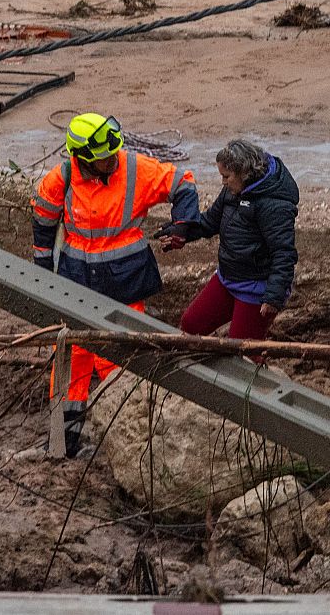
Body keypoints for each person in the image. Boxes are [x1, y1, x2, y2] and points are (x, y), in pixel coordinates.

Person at [31, 112, 200, 454]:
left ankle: (127, 438)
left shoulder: (134, 168)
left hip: (125, 284)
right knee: (71, 357)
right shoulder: (60, 179)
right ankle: (63, 441)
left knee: (121, 359)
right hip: (77, 283)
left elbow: (183, 182)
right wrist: (42, 271)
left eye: (113, 155)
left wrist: (184, 223)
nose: (112, 162)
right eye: (104, 159)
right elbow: (43, 222)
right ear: (82, 159)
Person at [163, 139, 299, 342]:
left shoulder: (274, 205)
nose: (223, 182)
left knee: (242, 352)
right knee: (192, 324)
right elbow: (210, 221)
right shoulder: (233, 189)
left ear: (244, 173)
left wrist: (273, 296)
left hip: (256, 289)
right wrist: (182, 232)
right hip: (227, 278)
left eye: (226, 176)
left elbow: (284, 254)